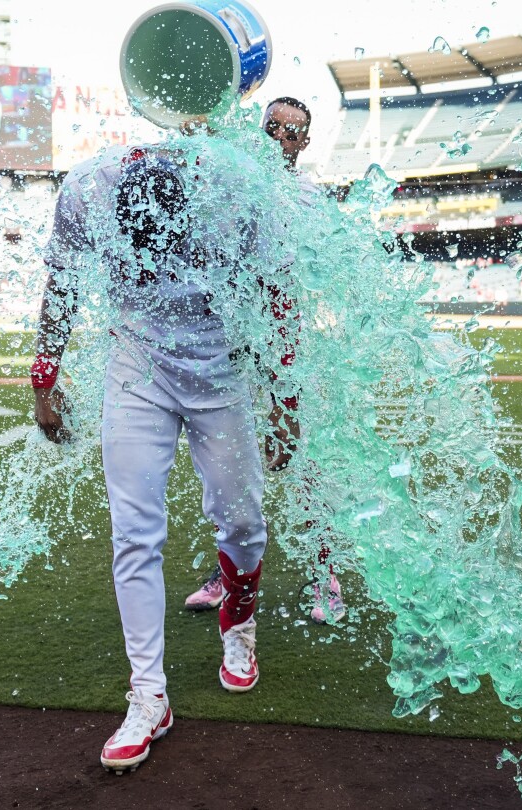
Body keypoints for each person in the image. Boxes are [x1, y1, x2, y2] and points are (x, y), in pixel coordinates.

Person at [32, 138, 297, 773]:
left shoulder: (236, 194)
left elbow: (276, 291)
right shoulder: (89, 189)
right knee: (133, 532)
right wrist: (45, 375)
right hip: (137, 366)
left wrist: (285, 398)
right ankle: (148, 695)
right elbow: (63, 280)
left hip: (224, 365)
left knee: (242, 521)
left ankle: (238, 627)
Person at [180, 97, 346, 624]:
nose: (280, 138)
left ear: (305, 142)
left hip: (292, 349)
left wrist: (288, 379)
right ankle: (225, 573)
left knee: (306, 466)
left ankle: (326, 574)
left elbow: (303, 285)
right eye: (271, 127)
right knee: (230, 467)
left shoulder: (308, 199)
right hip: (235, 346)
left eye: (291, 132)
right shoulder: (236, 185)